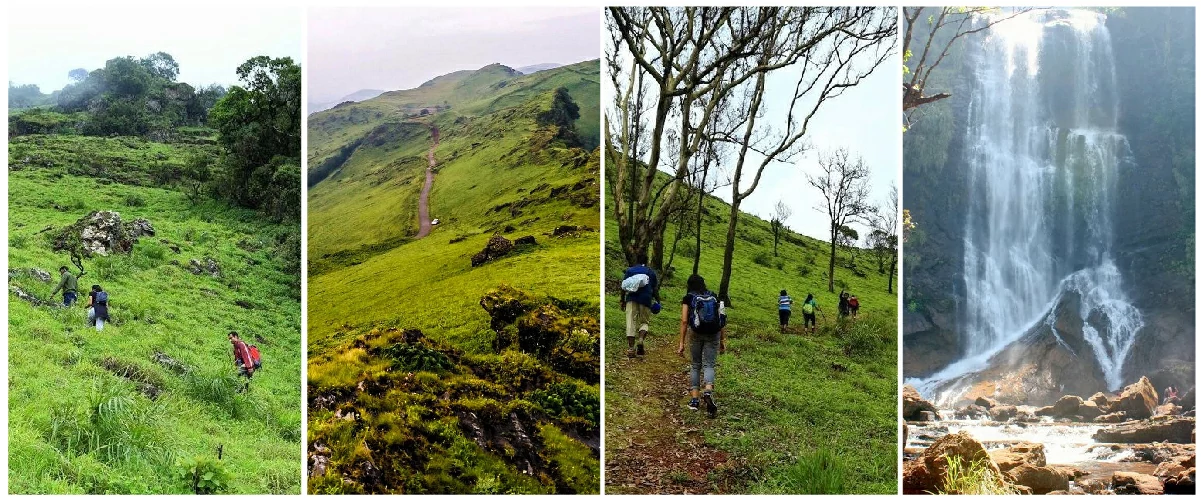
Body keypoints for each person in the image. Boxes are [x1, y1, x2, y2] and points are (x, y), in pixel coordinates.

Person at [676, 274, 726, 418]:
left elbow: (685, 321)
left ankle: (694, 400)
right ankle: (708, 391)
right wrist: (722, 341)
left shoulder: (688, 298)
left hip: (696, 333)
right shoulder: (713, 296)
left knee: (696, 365)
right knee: (709, 365)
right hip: (713, 333)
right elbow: (721, 319)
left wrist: (681, 342)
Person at [620, 253, 661, 358]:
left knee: (630, 322)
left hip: (631, 299)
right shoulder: (650, 272)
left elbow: (623, 286)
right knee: (644, 322)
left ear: (636, 260)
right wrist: (658, 300)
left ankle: (630, 349)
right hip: (646, 299)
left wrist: (622, 300)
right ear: (646, 261)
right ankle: (641, 340)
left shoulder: (630, 270)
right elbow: (655, 289)